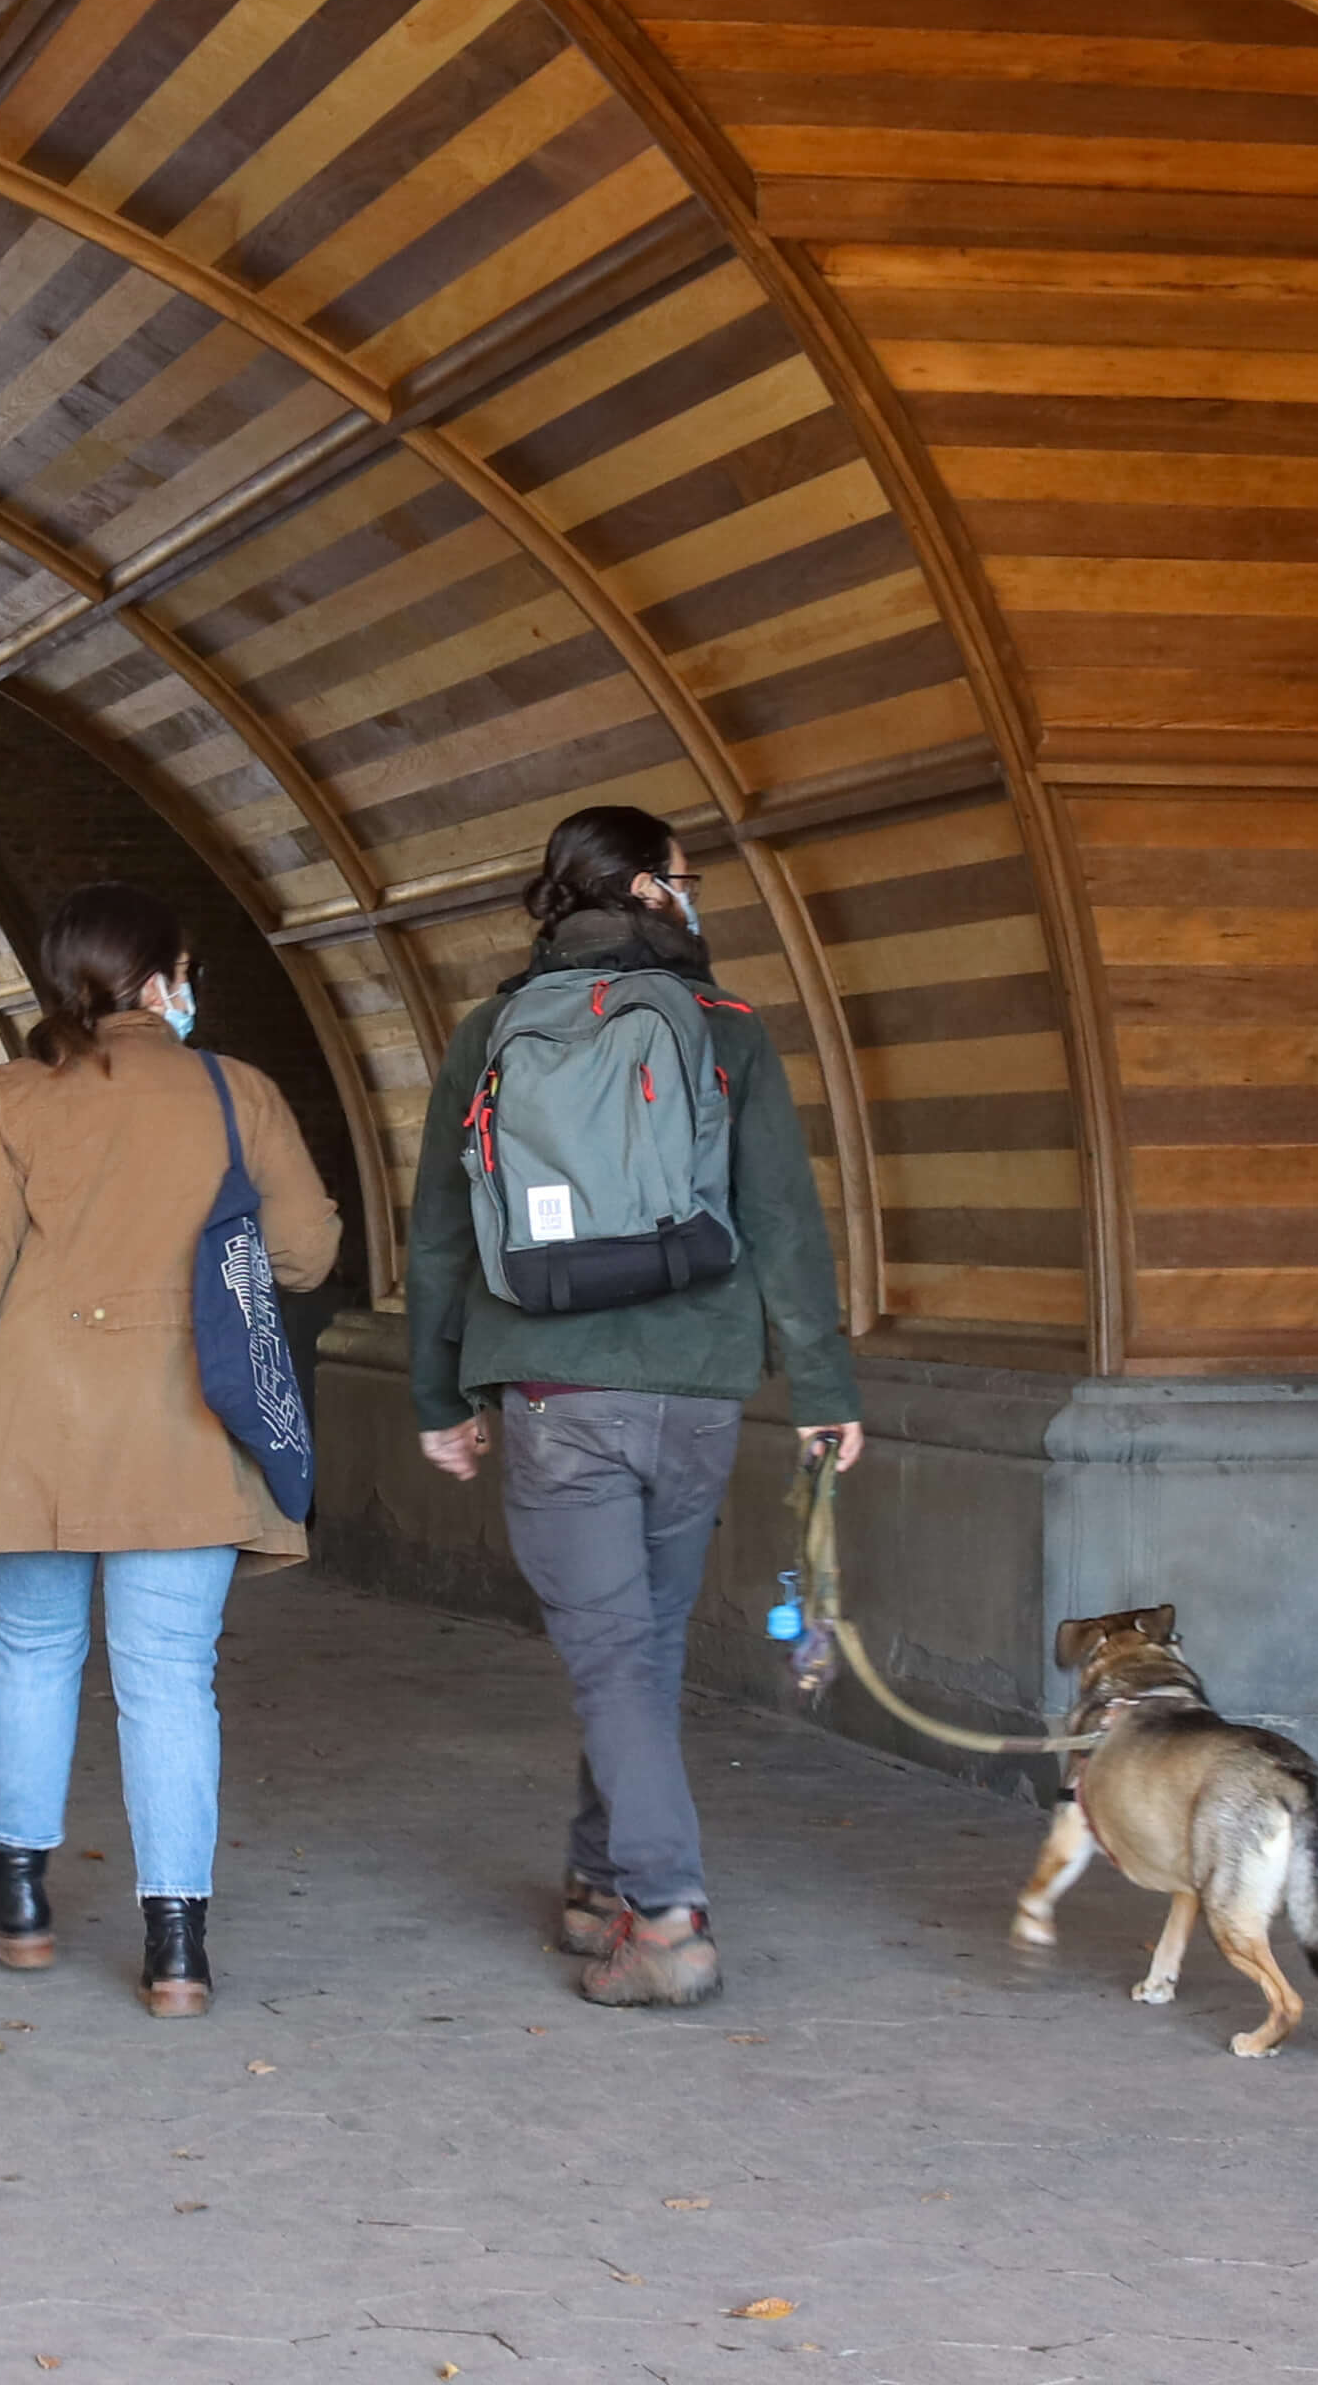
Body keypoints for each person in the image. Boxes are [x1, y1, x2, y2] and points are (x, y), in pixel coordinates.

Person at [404, 802, 863, 2011]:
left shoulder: (494, 1028)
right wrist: (820, 1387)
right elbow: (783, 1219)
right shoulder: (725, 1027)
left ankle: (662, 1913)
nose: (693, 893)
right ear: (653, 889)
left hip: (556, 1388)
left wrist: (441, 1393)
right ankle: (600, 1882)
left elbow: (443, 1233)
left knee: (615, 1655)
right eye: (686, 877)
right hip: (697, 1380)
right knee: (638, 1649)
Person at [0, 885, 341, 2018]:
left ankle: (21, 1900)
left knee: (30, 1651)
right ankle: (177, 1946)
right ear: (165, 978)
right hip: (186, 1422)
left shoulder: (9, 1095)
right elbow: (310, 1251)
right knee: (172, 1680)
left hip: (33, 1424)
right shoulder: (238, 1091)